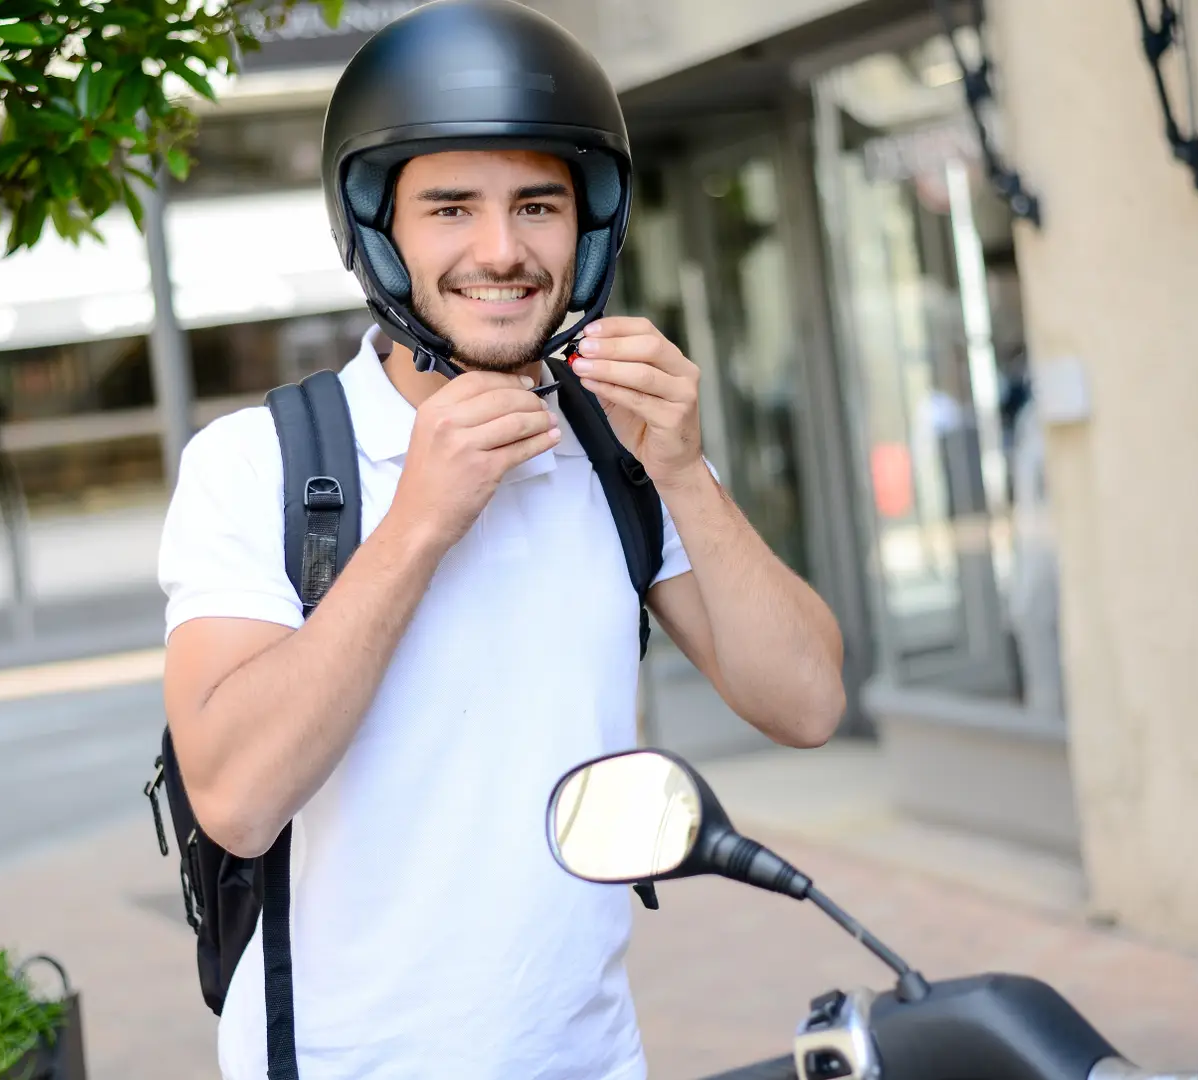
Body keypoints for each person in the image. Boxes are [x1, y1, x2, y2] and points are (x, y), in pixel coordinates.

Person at [157, 3, 847, 1077]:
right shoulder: (259, 466)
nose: (502, 250)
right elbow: (237, 804)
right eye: (450, 208)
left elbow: (806, 702)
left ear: (591, 224)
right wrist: (421, 523)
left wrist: (684, 473)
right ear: (380, 230)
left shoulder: (619, 450)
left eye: (537, 203)